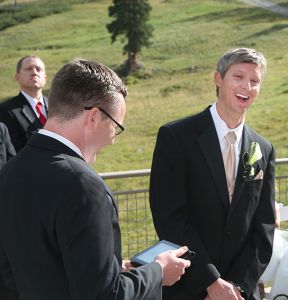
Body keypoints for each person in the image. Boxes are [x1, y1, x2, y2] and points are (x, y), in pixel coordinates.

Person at [0, 59, 191, 299]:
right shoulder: (83, 185)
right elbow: (106, 295)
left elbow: (18, 271)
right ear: (93, 117)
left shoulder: (10, 172)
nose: (113, 139)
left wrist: (106, 267)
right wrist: (158, 271)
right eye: (116, 126)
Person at [150, 47, 276, 300]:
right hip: (188, 286)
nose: (247, 87)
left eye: (255, 81)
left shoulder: (263, 148)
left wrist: (236, 286)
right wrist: (210, 281)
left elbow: (264, 227)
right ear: (218, 79)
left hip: (238, 292)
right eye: (238, 77)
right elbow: (170, 217)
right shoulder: (176, 137)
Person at [0, 55, 48, 152]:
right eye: (28, 69)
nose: (34, 72)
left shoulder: (59, 107)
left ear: (45, 78)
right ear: (17, 77)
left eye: (38, 69)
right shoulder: (5, 110)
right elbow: (11, 151)